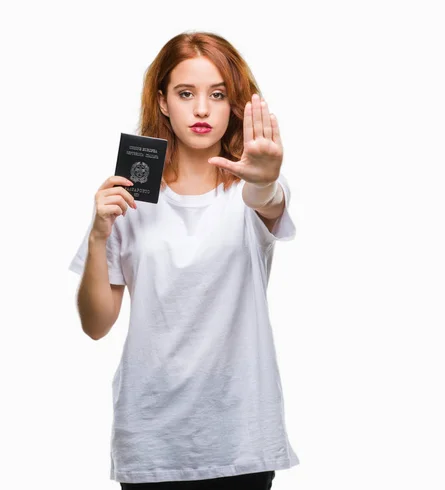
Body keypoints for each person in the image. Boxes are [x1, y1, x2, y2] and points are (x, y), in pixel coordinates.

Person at [68, 31, 299, 489]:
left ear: (234, 104)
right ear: (163, 102)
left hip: (239, 441)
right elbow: (96, 325)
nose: (201, 109)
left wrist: (267, 180)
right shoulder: (131, 198)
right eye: (185, 93)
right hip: (151, 439)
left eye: (217, 94)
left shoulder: (250, 192)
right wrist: (98, 236)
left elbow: (267, 200)